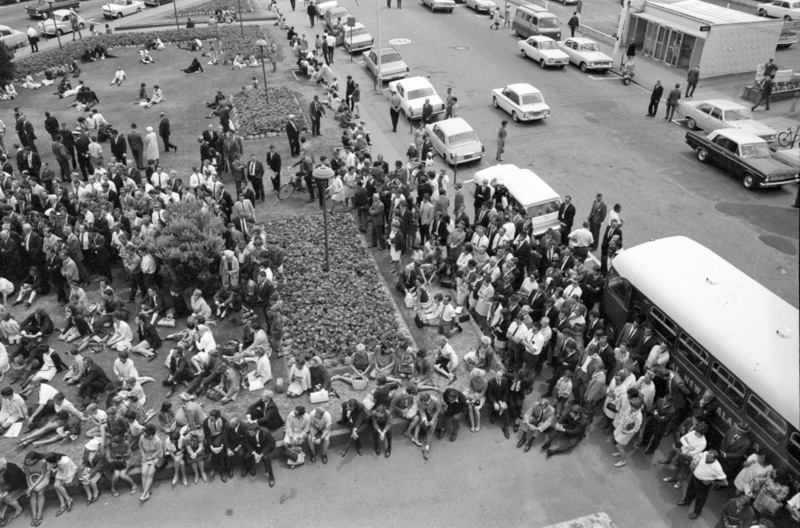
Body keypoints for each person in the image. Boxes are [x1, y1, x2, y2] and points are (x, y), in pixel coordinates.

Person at [677, 450, 728, 520]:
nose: (706, 457)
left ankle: (697, 512)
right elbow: (699, 455)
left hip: (703, 484)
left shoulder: (717, 468)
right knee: (690, 490)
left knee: (700, 498)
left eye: (709, 457)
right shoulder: (705, 454)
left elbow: (725, 483)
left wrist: (712, 482)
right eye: (707, 455)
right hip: (694, 477)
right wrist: (694, 461)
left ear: (714, 459)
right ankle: (686, 501)